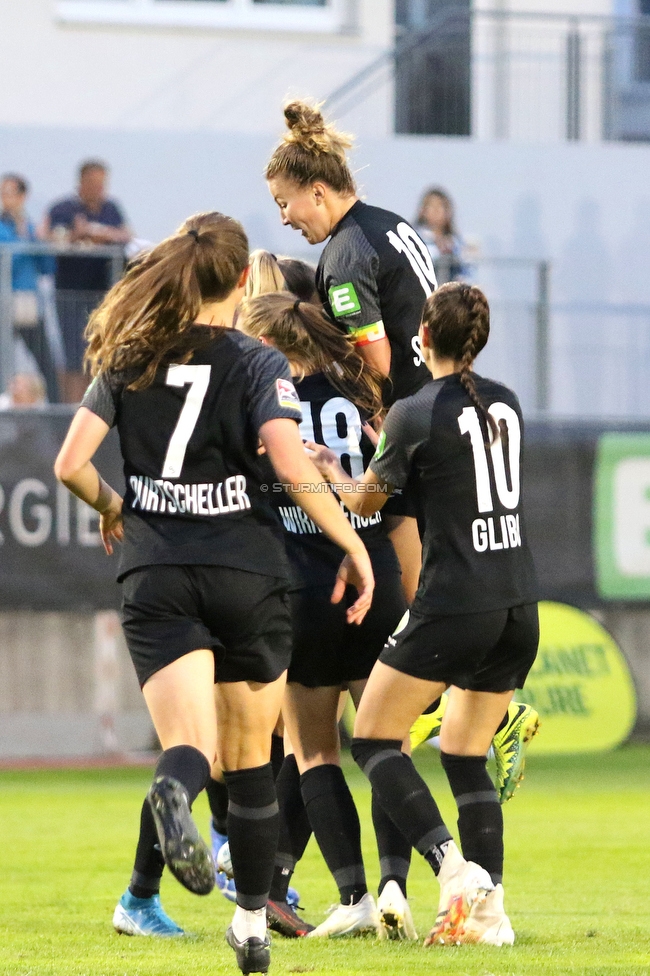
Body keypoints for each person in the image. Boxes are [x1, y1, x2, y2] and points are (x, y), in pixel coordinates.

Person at [54, 211, 374, 975]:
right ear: (239, 281)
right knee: (253, 762)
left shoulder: (128, 353)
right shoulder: (257, 363)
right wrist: (352, 542)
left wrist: (113, 506)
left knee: (191, 747)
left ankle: (173, 799)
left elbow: (70, 463)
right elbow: (293, 469)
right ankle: (251, 930)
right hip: (248, 575)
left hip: (156, 572)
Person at [307, 282, 539, 947]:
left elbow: (366, 504)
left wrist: (327, 465)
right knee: (466, 753)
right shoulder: (507, 404)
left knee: (375, 739)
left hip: (454, 602)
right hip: (518, 601)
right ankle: (489, 916)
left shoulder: (413, 411)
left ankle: (452, 871)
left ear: (423, 338)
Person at [238, 293, 416, 940]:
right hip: (378, 578)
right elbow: (393, 498)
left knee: (314, 748)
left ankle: (355, 896)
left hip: (304, 585)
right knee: (386, 741)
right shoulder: (365, 394)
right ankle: (398, 882)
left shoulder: (265, 401)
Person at [266, 99, 437, 606]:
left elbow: (378, 361)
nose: (283, 219)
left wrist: (379, 415)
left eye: (284, 203)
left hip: (404, 420)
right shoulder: (390, 223)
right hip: (435, 403)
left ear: (316, 192)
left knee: (412, 596)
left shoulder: (344, 255)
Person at [41, 160, 130, 403]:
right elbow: (47, 236)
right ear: (81, 182)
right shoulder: (63, 209)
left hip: (103, 295)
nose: (98, 189)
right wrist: (76, 235)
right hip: (69, 294)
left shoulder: (111, 208)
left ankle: (99, 410)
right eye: (93, 183)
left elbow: (125, 234)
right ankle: (72, 412)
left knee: (102, 355)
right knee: (74, 358)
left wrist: (100, 235)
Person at [0, 173, 59, 402]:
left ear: (23, 196)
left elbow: (47, 266)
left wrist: (39, 240)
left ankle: (57, 412)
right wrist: (27, 242)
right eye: (3, 193)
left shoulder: (32, 228)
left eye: (11, 193)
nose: (6, 198)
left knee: (45, 360)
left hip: (28, 302)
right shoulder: (5, 229)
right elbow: (7, 262)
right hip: (5, 301)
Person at [415, 186, 466, 283]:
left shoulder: (456, 242)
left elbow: (466, 271)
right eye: (431, 206)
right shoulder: (414, 238)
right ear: (423, 211)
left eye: (440, 206)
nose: (436, 210)